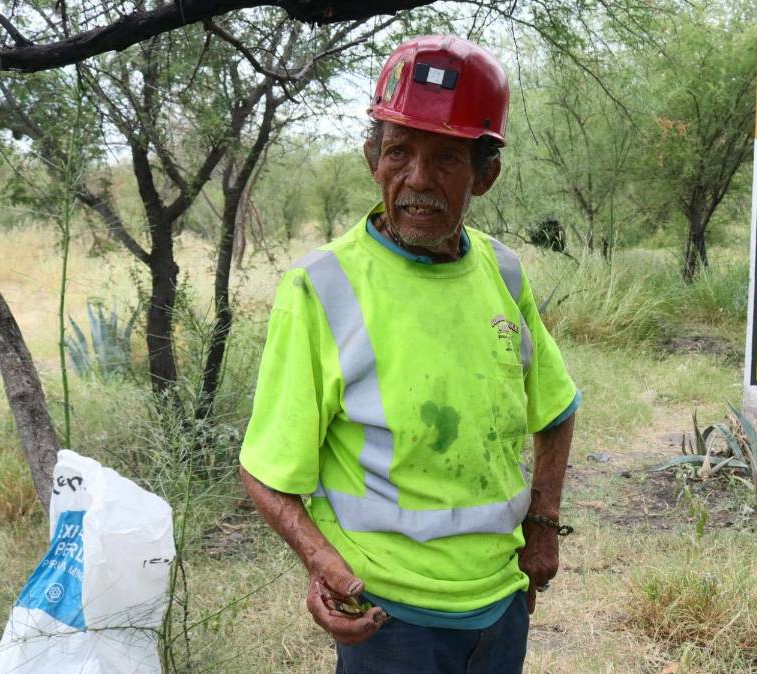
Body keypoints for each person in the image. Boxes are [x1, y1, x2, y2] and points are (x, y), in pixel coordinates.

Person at [238, 35, 580, 674]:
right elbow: (264, 471)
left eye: (447, 159)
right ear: (373, 158)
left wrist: (543, 523)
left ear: (486, 173)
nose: (417, 181)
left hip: (500, 606)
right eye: (399, 152)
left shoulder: (503, 274)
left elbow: (556, 409)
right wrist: (320, 562)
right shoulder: (320, 288)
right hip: (389, 620)